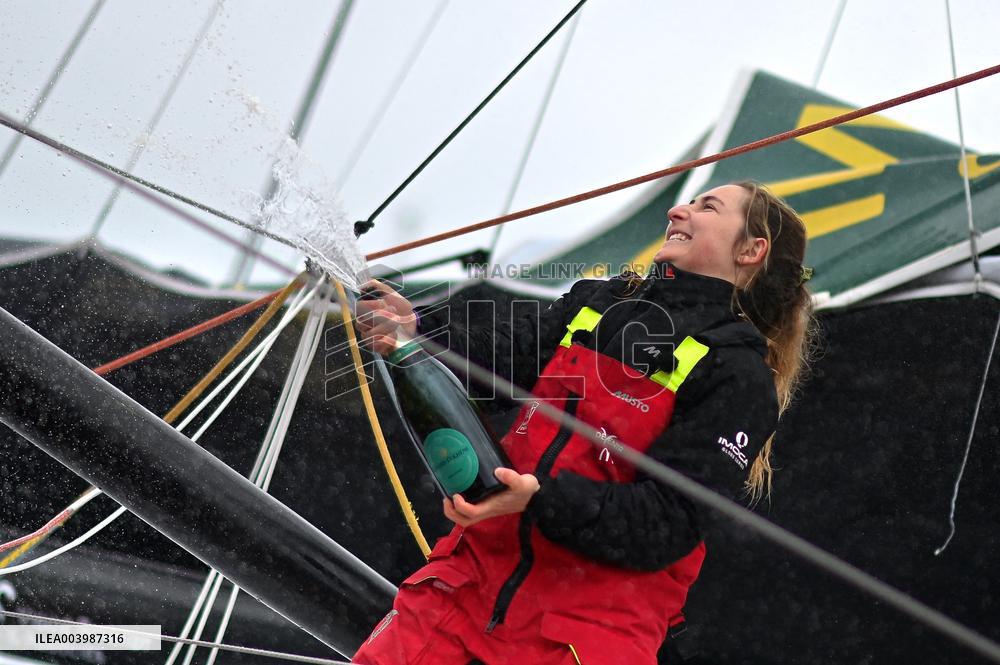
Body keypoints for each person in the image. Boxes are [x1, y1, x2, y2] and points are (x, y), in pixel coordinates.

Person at [352, 181, 815, 664]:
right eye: (689, 200)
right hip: (460, 591)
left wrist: (540, 498)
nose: (678, 210)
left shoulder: (737, 374)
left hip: (584, 633)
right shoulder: (601, 303)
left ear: (751, 250)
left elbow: (665, 524)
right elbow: (501, 362)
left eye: (707, 207)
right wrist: (417, 330)